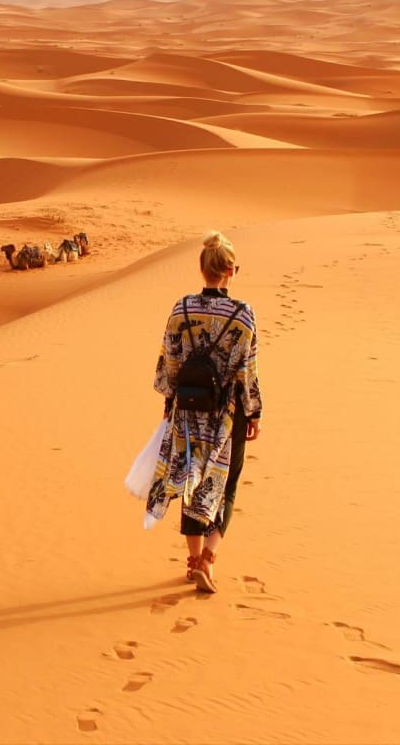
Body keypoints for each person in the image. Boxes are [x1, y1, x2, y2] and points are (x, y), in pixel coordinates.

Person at [146, 231, 262, 594]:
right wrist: (254, 412)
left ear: (203, 269)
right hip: (227, 414)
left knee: (191, 481)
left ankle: (193, 560)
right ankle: (209, 557)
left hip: (188, 412)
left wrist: (170, 401)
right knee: (225, 482)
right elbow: (247, 371)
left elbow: (170, 359)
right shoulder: (242, 314)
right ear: (229, 270)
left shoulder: (182, 308)